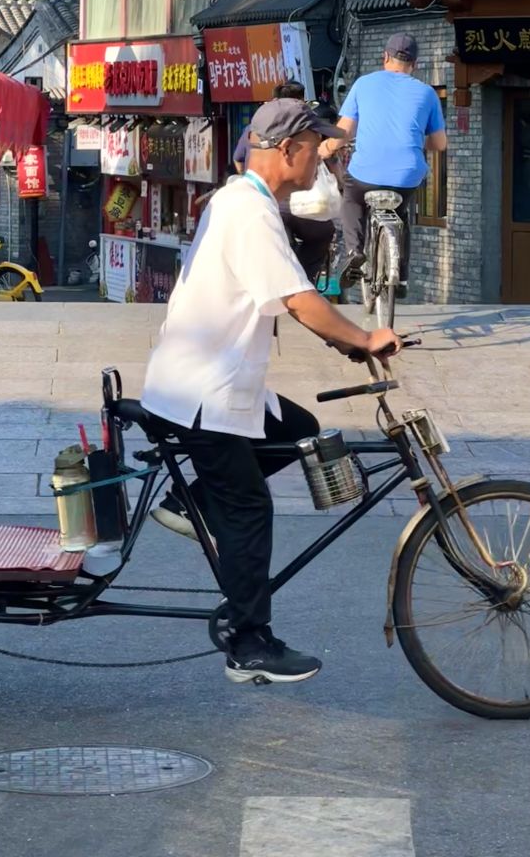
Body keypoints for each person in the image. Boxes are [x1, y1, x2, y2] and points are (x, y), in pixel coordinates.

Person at [141, 97, 401, 686]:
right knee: (249, 510)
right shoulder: (250, 212)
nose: (323, 158)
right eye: (316, 147)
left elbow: (288, 294)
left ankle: (194, 501)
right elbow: (298, 300)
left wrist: (344, 344)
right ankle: (248, 642)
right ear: (288, 150)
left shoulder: (245, 200)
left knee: (299, 431)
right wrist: (362, 338)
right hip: (203, 393)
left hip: (205, 382)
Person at [337, 33, 447, 297]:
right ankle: (402, 277)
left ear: (385, 57)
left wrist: (326, 147)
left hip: (365, 173)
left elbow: (344, 132)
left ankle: (354, 251)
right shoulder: (427, 93)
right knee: (401, 213)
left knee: (351, 199)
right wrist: (419, 145)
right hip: (407, 175)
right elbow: (440, 143)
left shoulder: (363, 84)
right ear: (415, 64)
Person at [233, 82, 338, 287]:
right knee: (322, 232)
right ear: (286, 149)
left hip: (280, 207)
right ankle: (302, 280)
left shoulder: (253, 128)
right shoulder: (305, 127)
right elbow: (333, 162)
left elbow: (237, 159)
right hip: (301, 208)